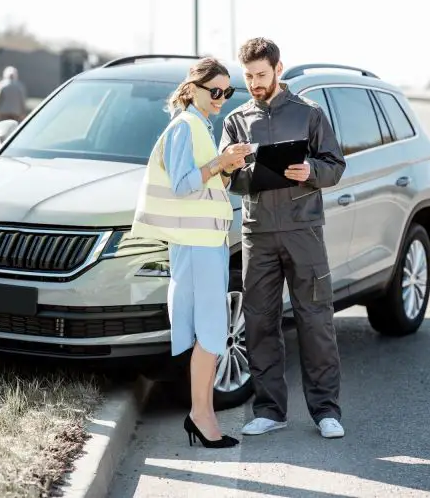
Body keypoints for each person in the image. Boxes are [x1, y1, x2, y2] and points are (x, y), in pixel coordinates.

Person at [219, 38, 347, 439]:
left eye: (261, 74)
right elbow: (228, 179)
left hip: (303, 232)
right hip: (257, 233)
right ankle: (270, 410)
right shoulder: (236, 120)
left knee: (315, 321)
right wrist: (235, 167)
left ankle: (326, 411)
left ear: (278, 69)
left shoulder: (309, 114)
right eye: (249, 76)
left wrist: (309, 170)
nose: (255, 83)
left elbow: (334, 166)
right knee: (259, 322)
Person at [131, 57, 252, 449]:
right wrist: (220, 161)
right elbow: (183, 184)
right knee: (212, 333)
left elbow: (202, 182)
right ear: (193, 88)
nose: (221, 98)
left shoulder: (200, 125)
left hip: (208, 244)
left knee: (208, 331)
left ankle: (202, 413)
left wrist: (227, 166)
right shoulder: (185, 126)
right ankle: (201, 415)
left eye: (227, 91)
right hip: (198, 246)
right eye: (214, 90)